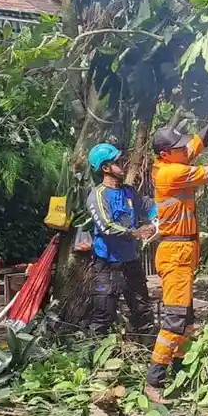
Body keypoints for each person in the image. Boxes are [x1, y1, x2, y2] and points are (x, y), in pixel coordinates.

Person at [144, 100, 208, 403]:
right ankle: (154, 382)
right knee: (175, 319)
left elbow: (197, 143)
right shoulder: (171, 174)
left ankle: (179, 371)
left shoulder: (170, 161)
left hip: (183, 250)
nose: (184, 149)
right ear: (166, 153)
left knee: (187, 319)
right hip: (175, 253)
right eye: (179, 147)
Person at [84, 142, 157, 340]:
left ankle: (151, 355)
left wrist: (165, 211)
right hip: (107, 266)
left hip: (131, 263)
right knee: (103, 316)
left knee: (143, 311)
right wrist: (135, 233)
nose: (123, 164)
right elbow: (106, 225)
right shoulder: (97, 196)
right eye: (118, 162)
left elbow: (148, 207)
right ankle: (94, 362)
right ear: (105, 168)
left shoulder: (129, 191)